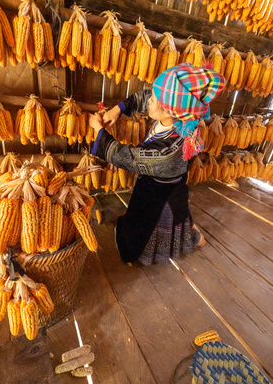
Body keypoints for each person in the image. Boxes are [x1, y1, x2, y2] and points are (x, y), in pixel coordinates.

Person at [88, 63, 225, 266]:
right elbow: (144, 98)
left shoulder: (168, 150)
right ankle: (192, 229)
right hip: (167, 181)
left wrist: (99, 130)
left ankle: (192, 238)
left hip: (159, 191)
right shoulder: (180, 114)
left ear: (169, 110)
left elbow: (130, 157)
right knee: (179, 212)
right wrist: (119, 109)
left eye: (153, 100)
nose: (148, 101)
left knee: (146, 227)